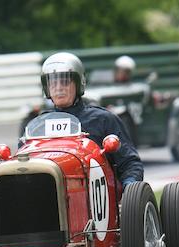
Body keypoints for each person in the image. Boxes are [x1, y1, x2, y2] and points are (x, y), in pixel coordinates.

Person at [41, 52, 143, 187]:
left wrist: (129, 187)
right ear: (47, 87)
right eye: (53, 82)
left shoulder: (103, 119)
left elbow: (130, 163)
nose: (58, 87)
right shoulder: (39, 126)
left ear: (78, 84)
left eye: (65, 81)